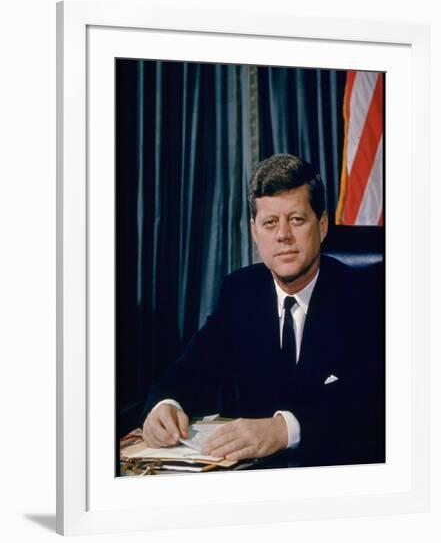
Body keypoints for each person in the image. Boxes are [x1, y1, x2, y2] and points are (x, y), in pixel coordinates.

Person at [141, 153, 385, 467]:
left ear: (322, 226)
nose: (282, 234)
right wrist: (165, 404)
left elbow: (373, 400)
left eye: (296, 219)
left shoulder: (366, 295)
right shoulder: (240, 291)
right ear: (256, 232)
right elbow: (192, 368)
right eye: (270, 223)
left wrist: (284, 429)